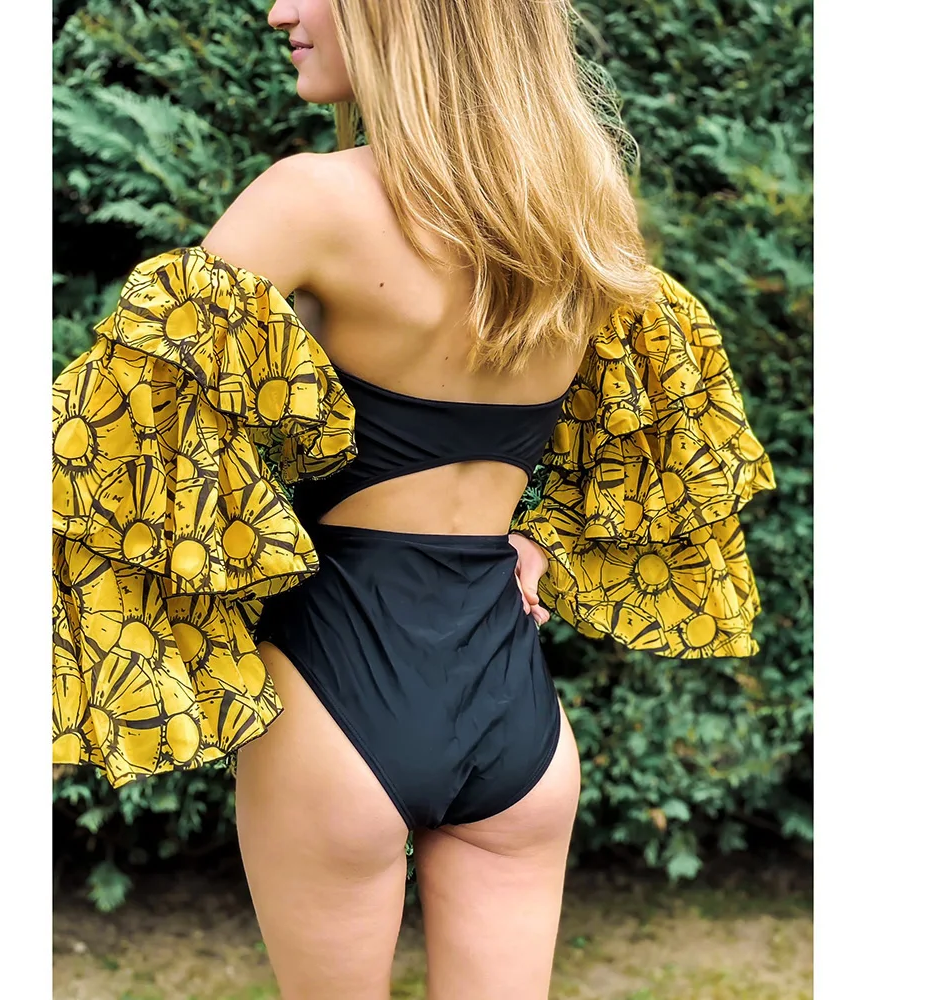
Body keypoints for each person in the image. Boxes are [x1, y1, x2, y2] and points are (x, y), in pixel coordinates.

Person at [52, 1, 775, 997]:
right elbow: (665, 439)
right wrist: (546, 541)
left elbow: (109, 441)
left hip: (336, 682)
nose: (280, 11)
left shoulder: (310, 199)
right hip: (515, 707)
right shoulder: (580, 207)